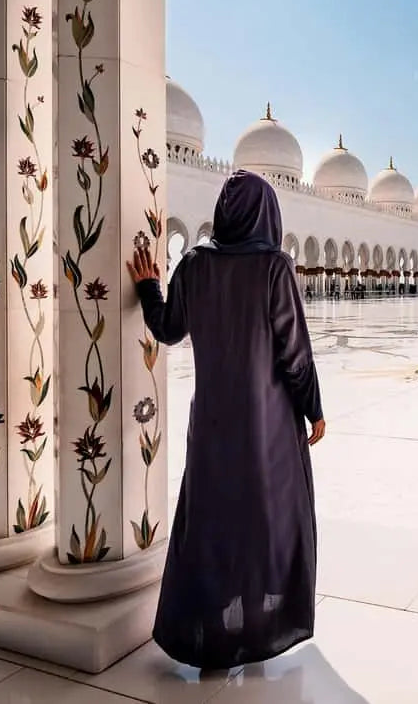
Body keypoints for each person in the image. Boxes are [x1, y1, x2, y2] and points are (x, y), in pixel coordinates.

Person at [127, 169, 325, 671]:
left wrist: (149, 287)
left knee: (214, 522)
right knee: (269, 521)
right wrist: (314, 408)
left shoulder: (194, 264)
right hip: (270, 425)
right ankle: (260, 629)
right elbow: (294, 353)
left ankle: (208, 634)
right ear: (266, 214)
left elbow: (168, 328)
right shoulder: (274, 267)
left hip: (213, 423)